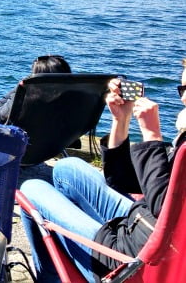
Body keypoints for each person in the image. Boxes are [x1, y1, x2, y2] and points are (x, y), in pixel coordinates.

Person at [18, 60, 186, 281]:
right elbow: (124, 180)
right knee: (68, 169)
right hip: (143, 225)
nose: (182, 98)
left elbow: (166, 208)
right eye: (182, 89)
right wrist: (121, 120)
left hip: (128, 260)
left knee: (32, 189)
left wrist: (152, 135)